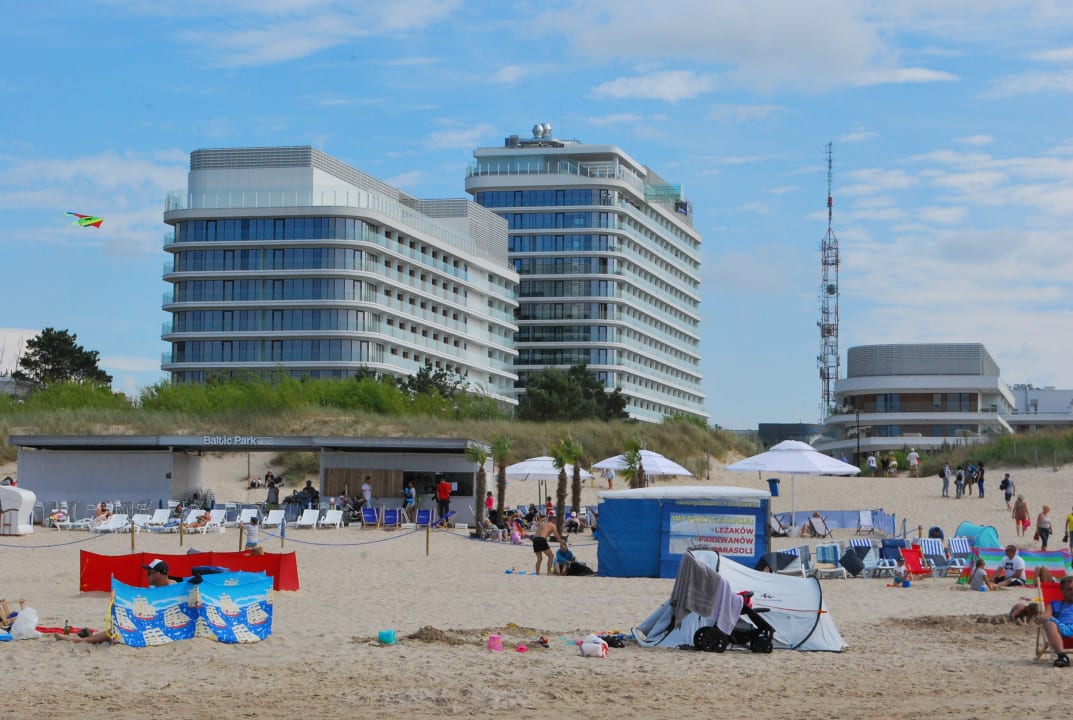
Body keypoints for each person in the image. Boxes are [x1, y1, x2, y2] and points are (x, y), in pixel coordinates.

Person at [58, 560, 176, 644]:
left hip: (161, 628)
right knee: (116, 630)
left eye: (149, 573)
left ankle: (82, 640)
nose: (146, 575)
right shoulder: (153, 588)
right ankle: (87, 639)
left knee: (116, 632)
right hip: (148, 624)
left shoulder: (175, 588)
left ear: (158, 574)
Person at [1041, 575, 1073, 667]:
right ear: (1062, 591)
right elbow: (1045, 616)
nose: (1072, 592)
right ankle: (1062, 656)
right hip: (1062, 628)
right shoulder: (1055, 604)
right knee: (1049, 622)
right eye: (1069, 589)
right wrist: (1040, 618)